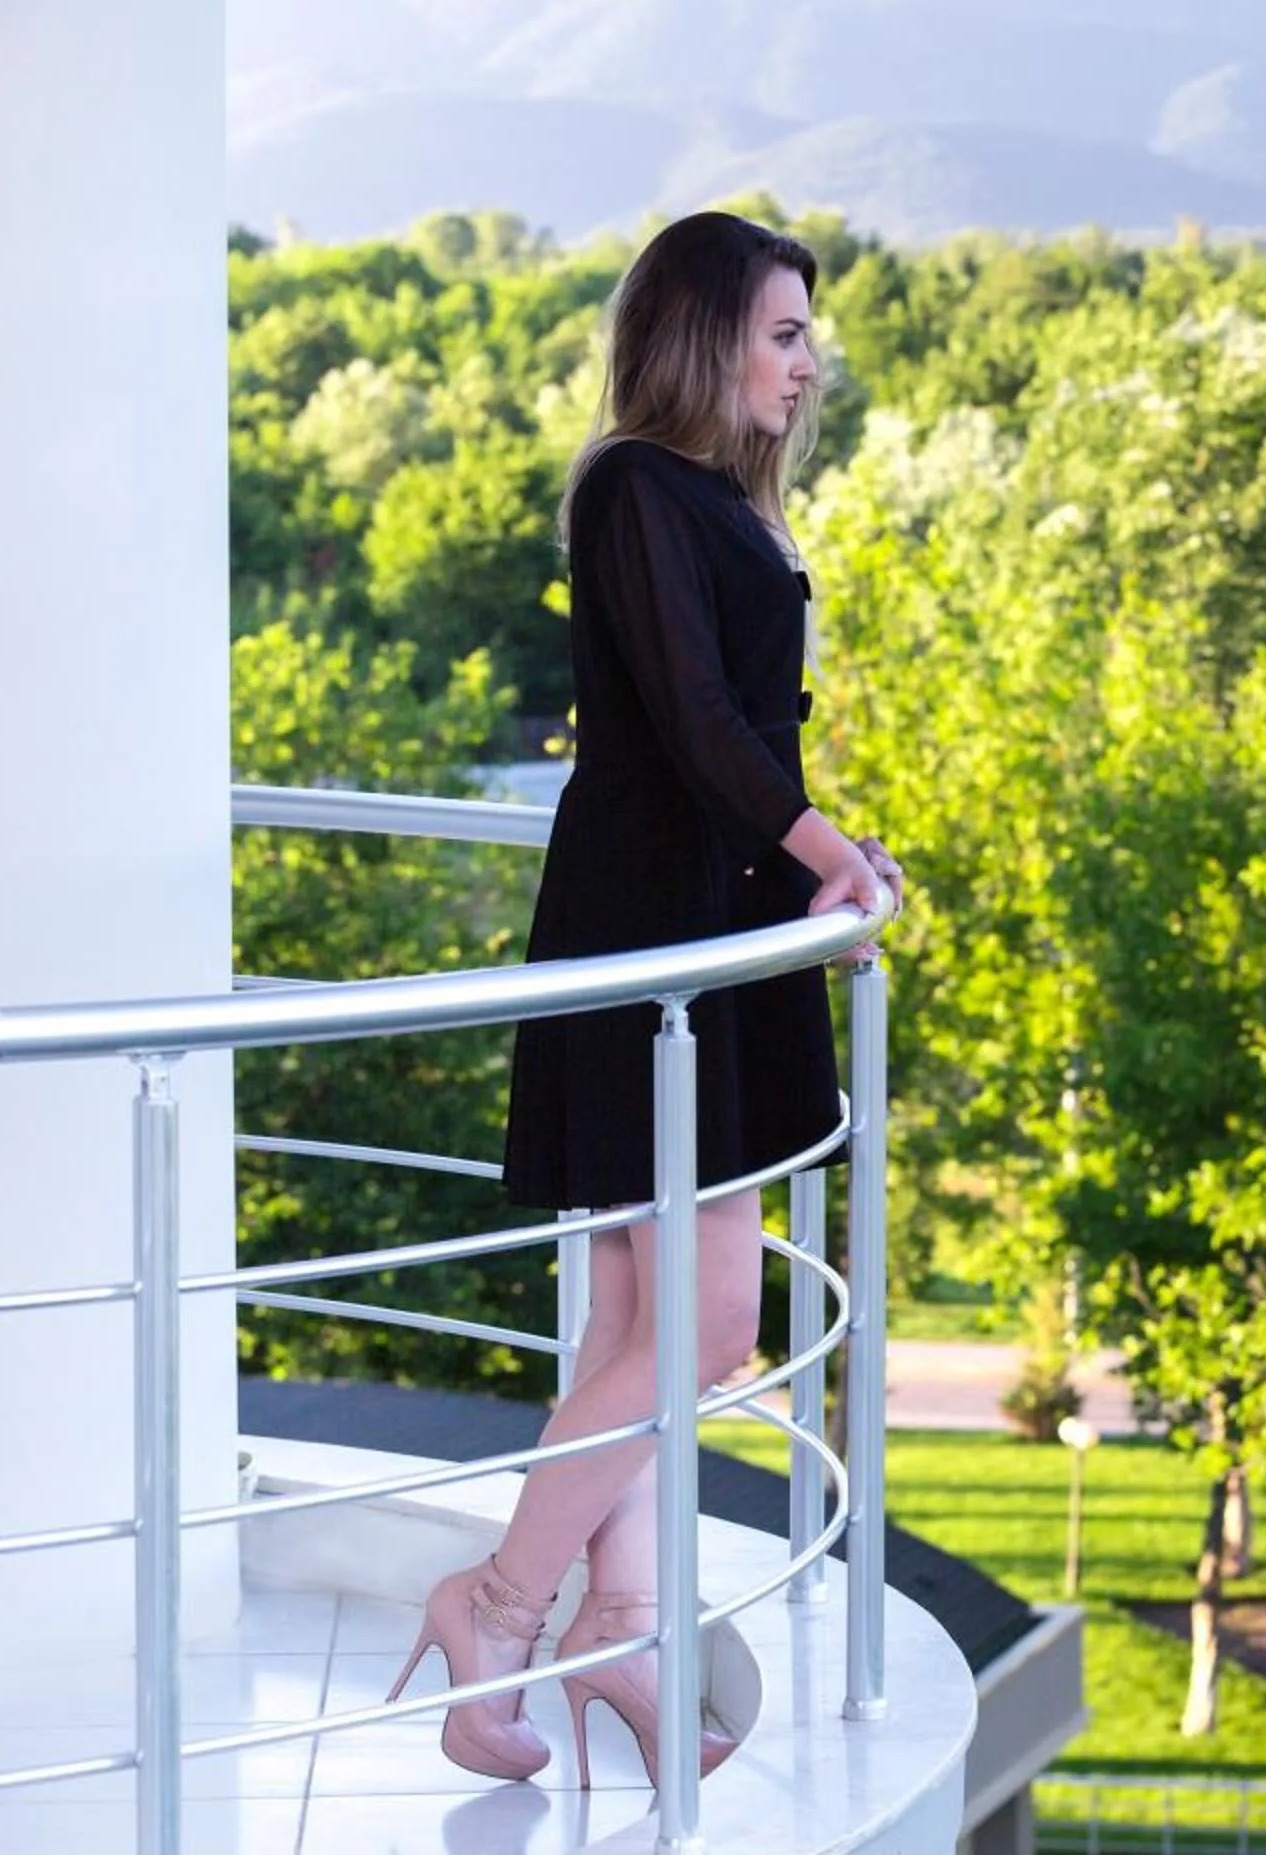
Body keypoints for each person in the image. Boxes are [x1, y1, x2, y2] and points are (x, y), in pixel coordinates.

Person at [386, 210, 902, 1787]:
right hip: (649, 931)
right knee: (706, 1326)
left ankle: (620, 1631)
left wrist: (831, 851)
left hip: (709, 927)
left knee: (630, 1318)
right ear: (699, 338)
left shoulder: (714, 503)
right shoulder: (632, 483)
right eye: (783, 333)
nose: (810, 364)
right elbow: (686, 716)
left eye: (808, 334)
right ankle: (495, 1603)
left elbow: (740, 725)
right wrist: (831, 856)